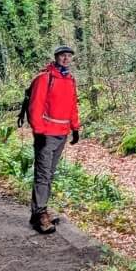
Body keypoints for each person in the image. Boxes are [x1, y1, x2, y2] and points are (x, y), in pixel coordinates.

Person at [26, 44, 80, 234]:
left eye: (68, 56)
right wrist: (39, 130)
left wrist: (75, 128)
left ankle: (40, 210)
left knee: (49, 173)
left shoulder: (70, 79)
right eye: (62, 56)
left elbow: (73, 105)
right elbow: (36, 105)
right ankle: (39, 215)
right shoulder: (45, 78)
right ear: (56, 57)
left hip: (62, 132)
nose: (66, 59)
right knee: (42, 173)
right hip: (46, 134)